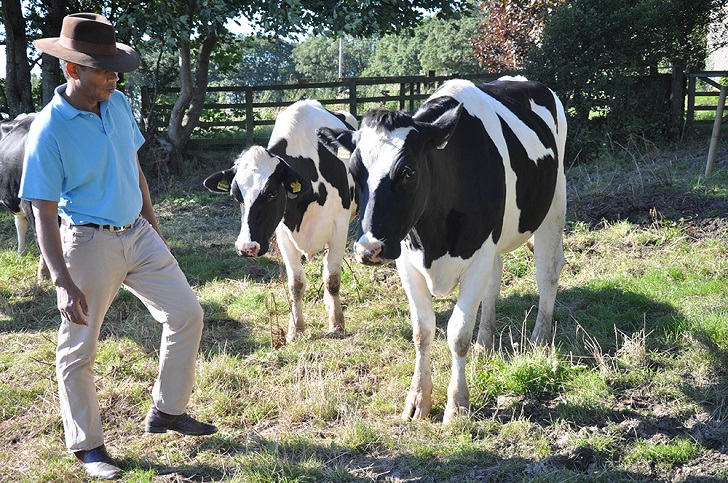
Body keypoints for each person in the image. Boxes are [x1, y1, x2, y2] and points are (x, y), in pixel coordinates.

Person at [20, 13, 217, 480]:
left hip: (138, 233)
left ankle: (167, 412)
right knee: (78, 349)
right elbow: (42, 212)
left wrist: (151, 223)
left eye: (115, 68)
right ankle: (88, 447)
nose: (113, 76)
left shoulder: (118, 103)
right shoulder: (49, 131)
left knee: (187, 313)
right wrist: (63, 281)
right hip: (88, 243)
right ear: (73, 71)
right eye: (103, 69)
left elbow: (134, 165)